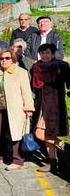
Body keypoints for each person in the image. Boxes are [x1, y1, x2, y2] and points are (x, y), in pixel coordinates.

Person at [0, 49, 34, 171]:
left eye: (7, 58)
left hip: (16, 110)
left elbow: (26, 92)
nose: (4, 60)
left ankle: (17, 160)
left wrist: (28, 108)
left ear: (13, 59)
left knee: (15, 134)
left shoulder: (21, 72)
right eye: (1, 58)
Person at [31, 44, 69, 173]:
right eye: (42, 53)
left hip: (54, 106)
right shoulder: (36, 67)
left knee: (45, 134)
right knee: (42, 134)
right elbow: (33, 87)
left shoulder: (60, 66)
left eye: (47, 53)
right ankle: (56, 157)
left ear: (52, 54)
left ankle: (55, 158)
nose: (45, 55)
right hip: (41, 105)